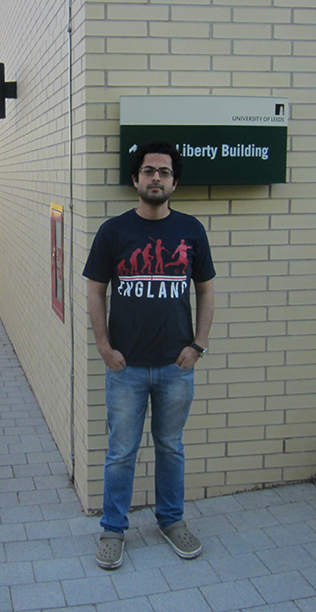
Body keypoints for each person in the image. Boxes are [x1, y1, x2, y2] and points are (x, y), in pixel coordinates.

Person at [83, 140, 216, 570]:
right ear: (135, 179)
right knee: (121, 451)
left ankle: (171, 521)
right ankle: (113, 530)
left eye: (163, 171)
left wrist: (198, 345)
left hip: (176, 367)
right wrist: (104, 347)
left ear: (174, 181)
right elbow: (95, 291)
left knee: (171, 447)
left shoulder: (191, 230)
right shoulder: (114, 231)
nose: (155, 178)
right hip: (126, 367)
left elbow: (206, 290)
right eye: (148, 171)